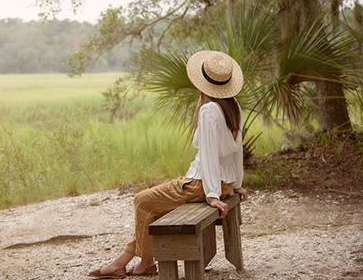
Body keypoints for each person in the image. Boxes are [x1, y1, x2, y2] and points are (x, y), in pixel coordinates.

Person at [88, 50, 249, 279]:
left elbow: (210, 156)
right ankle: (122, 262)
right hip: (223, 182)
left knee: (141, 201)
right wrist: (236, 185)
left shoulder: (208, 110)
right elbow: (236, 151)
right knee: (152, 208)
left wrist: (213, 195)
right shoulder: (234, 105)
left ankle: (145, 264)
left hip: (201, 183)